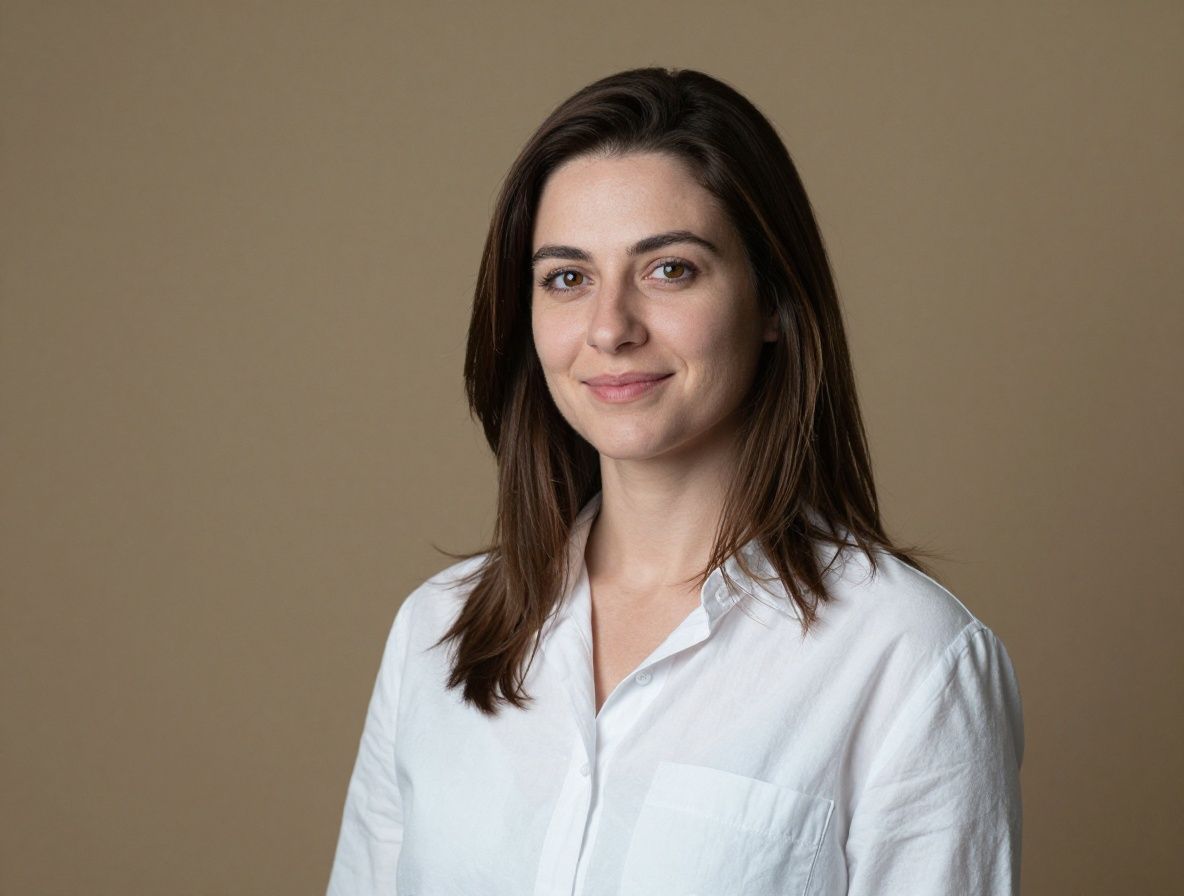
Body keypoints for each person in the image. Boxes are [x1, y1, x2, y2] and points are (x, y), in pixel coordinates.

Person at [326, 67, 1023, 895]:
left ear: (774, 302)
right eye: (567, 278)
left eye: (670, 270)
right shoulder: (435, 632)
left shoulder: (909, 660)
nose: (610, 328)